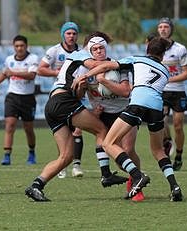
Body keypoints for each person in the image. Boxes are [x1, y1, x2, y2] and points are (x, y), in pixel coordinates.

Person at [75, 37, 183, 202]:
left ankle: (137, 176)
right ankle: (175, 187)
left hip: (138, 104)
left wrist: (86, 76)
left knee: (108, 143)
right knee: (158, 151)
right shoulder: (165, 70)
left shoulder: (137, 59)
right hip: (156, 108)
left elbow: (106, 66)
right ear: (162, 55)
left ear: (147, 49)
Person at [24, 33, 128, 202]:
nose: (98, 51)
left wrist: (83, 86)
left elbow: (78, 94)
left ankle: (36, 185)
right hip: (63, 101)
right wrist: (121, 63)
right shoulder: (81, 55)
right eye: (95, 48)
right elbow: (97, 64)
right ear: (89, 47)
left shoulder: (79, 63)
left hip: (53, 105)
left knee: (66, 156)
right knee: (101, 129)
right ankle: (106, 174)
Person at [82, 32, 144, 201]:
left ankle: (137, 186)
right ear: (90, 52)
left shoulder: (119, 66)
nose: (98, 51)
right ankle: (135, 175)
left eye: (101, 47)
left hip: (124, 111)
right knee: (119, 158)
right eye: (94, 49)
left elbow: (125, 92)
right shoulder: (85, 70)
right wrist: (92, 107)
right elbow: (82, 93)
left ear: (106, 48)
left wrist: (104, 81)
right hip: (103, 115)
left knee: (129, 150)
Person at [37, 21, 84, 178]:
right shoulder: (55, 50)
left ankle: (77, 165)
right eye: (68, 33)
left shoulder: (82, 52)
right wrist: (57, 72)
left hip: (77, 94)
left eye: (74, 33)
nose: (71, 36)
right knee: (63, 132)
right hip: (60, 96)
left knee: (78, 130)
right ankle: (62, 165)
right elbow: (40, 69)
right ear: (63, 34)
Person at [0, 35, 38, 166]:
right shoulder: (9, 60)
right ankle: (6, 156)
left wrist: (13, 73)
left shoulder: (32, 59)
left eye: (22, 46)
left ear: (26, 46)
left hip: (28, 98)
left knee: (28, 128)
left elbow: (32, 75)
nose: (19, 48)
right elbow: (4, 73)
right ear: (14, 47)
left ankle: (31, 152)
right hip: (12, 96)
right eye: (17, 46)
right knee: (10, 125)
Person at [157, 17, 187, 171]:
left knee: (178, 126)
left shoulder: (180, 49)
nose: (163, 29)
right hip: (161, 91)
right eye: (160, 27)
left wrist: (168, 79)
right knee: (161, 121)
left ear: (171, 29)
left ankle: (178, 155)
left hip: (177, 92)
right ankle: (167, 141)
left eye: (166, 26)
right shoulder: (156, 47)